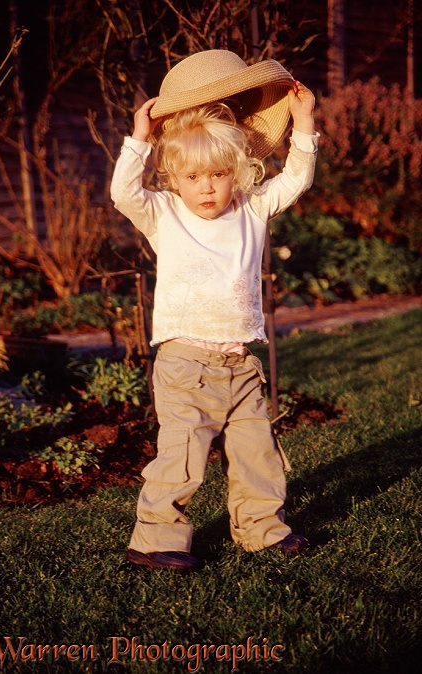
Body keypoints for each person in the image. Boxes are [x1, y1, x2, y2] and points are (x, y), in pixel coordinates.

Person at [111, 49, 318, 573]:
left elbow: (296, 179)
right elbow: (120, 192)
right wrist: (138, 136)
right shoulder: (163, 214)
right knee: (181, 457)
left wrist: (304, 123)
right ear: (174, 177)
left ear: (240, 172)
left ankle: (262, 529)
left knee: (258, 455)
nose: (207, 187)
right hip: (185, 364)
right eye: (195, 176)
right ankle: (156, 539)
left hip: (240, 364)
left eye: (220, 174)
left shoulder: (251, 208)